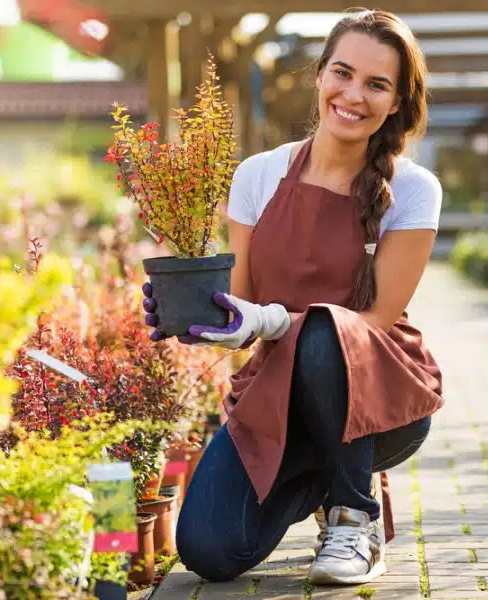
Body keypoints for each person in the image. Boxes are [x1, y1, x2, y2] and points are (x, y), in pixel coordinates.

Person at [142, 7, 444, 586]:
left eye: (377, 84)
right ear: (320, 76)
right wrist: (190, 312)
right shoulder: (258, 175)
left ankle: (354, 516)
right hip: (275, 396)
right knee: (208, 549)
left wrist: (272, 321)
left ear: (398, 102)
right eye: (343, 72)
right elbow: (242, 305)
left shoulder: (412, 189)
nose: (354, 94)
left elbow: (375, 321)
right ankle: (332, 475)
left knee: (328, 332)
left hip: (381, 397)